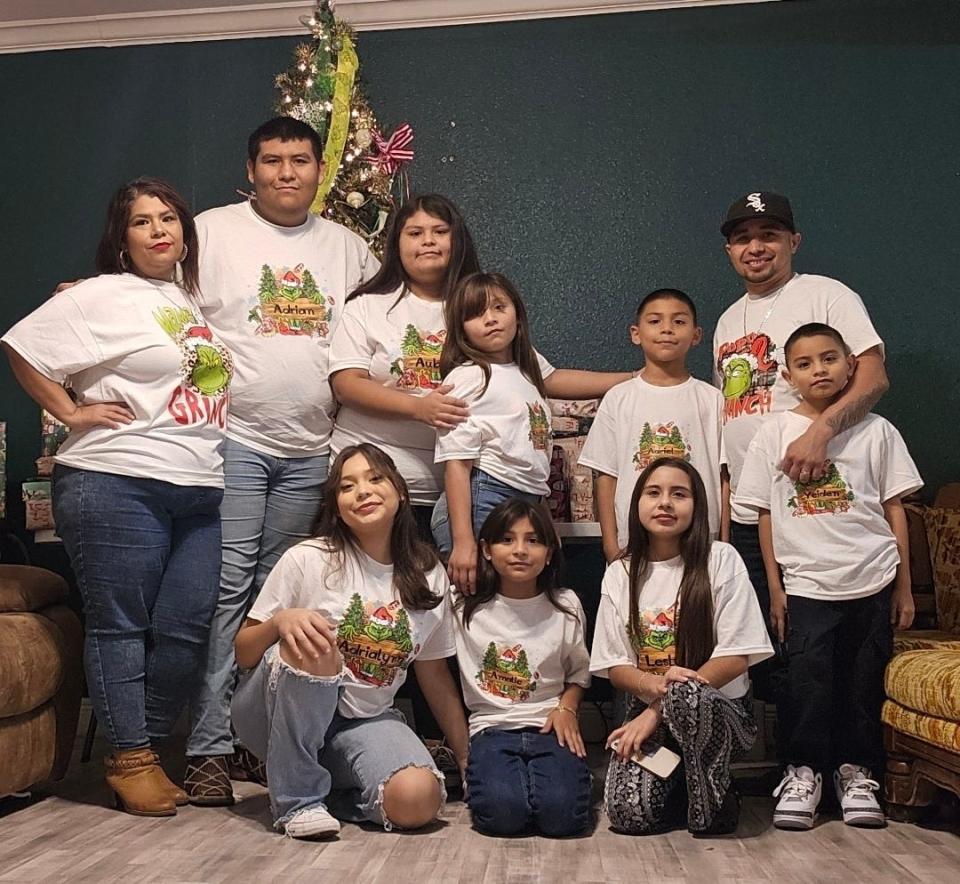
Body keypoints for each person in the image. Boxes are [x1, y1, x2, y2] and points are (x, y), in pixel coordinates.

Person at [2, 178, 233, 816]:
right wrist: (70, 410)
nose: (160, 229)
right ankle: (131, 755)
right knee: (120, 625)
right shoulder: (102, 295)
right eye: (142, 222)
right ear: (122, 239)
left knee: (185, 630)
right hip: (115, 479)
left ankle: (142, 748)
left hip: (198, 486)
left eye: (168, 218)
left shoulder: (190, 302)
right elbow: (22, 347)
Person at [184, 116, 379, 804]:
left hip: (312, 450)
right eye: (273, 161)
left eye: (300, 160)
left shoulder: (350, 247)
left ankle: (253, 742)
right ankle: (207, 747)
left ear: (319, 171)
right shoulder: (209, 232)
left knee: (280, 598)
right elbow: (163, 306)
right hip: (236, 439)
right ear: (251, 169)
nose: (287, 172)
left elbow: (377, 328)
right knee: (228, 592)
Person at [230, 443, 469, 839]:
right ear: (337, 506)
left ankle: (329, 794)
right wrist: (280, 622)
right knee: (317, 641)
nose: (363, 491)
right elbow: (244, 651)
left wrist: (464, 755)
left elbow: (434, 673)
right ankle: (298, 802)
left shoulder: (429, 573)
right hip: (272, 713)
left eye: (375, 479)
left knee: (418, 801)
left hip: (363, 722)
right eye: (347, 486)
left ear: (401, 492)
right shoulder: (307, 558)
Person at [734, 323, 920, 830]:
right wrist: (775, 587)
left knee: (863, 683)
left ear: (851, 365)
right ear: (789, 376)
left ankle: (856, 773)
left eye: (830, 358)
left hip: (872, 578)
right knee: (806, 684)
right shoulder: (773, 432)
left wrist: (902, 585)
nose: (819, 370)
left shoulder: (878, 431)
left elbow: (894, 506)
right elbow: (763, 515)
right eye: (806, 363)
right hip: (807, 584)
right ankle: (803, 772)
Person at [713, 191, 888, 713]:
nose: (755, 247)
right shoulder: (726, 321)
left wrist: (821, 433)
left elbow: (874, 376)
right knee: (768, 646)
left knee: (824, 650)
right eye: (742, 238)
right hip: (751, 510)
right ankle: (797, 766)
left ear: (794, 240)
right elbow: (734, 414)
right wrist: (728, 511)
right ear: (728, 251)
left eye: (768, 234)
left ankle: (842, 766)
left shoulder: (826, 295)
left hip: (812, 506)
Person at [590, 458, 773, 835]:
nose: (665, 503)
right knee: (628, 815)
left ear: (698, 505)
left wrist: (658, 707)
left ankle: (715, 797)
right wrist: (655, 690)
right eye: (653, 493)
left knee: (689, 698)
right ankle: (681, 784)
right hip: (650, 716)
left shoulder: (721, 559)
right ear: (636, 503)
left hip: (719, 716)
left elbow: (738, 654)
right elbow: (615, 665)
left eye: (680, 494)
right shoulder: (620, 572)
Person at [432, 271, 636, 594]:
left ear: (517, 312)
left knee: (516, 601)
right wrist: (463, 541)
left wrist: (633, 378)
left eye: (500, 307)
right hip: (483, 497)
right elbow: (457, 464)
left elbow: (557, 387)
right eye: (476, 313)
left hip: (524, 499)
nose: (490, 319)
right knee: (483, 603)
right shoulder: (468, 377)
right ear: (461, 329)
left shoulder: (526, 367)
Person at [454, 499, 592, 837]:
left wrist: (567, 708)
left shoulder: (566, 605)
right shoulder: (463, 607)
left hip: (550, 727)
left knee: (564, 820)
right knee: (503, 818)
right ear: (485, 550)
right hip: (491, 729)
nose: (520, 551)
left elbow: (578, 674)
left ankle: (566, 778)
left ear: (549, 552)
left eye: (533, 540)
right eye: (507, 540)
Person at [580, 288, 727, 564]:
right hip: (634, 540)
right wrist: (611, 546)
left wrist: (725, 543)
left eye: (679, 321)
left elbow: (723, 476)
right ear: (636, 333)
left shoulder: (712, 399)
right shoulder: (619, 397)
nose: (667, 329)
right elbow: (605, 476)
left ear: (696, 336)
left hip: (699, 541)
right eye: (655, 321)